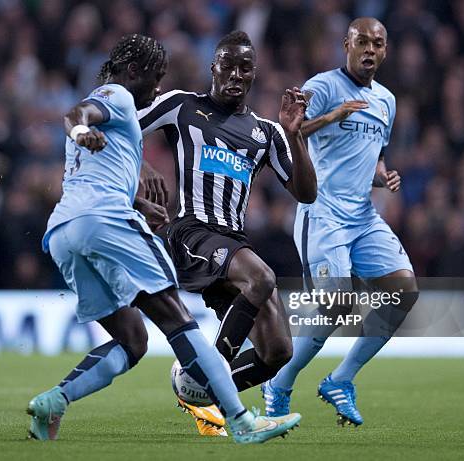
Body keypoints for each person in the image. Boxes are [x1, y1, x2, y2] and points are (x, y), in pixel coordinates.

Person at [25, 34, 301, 444]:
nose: (156, 90)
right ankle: (236, 417)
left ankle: (55, 400)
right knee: (179, 322)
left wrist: (136, 188)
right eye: (154, 80)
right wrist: (85, 133)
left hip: (64, 232)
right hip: (137, 226)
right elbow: (77, 115)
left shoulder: (263, 132)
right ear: (135, 72)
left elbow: (97, 161)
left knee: (133, 339)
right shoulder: (119, 95)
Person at [139, 30, 316, 435]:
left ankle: (201, 398)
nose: (236, 74)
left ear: (254, 76)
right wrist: (142, 168)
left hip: (232, 245)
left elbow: (306, 193)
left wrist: (294, 135)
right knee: (262, 277)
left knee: (278, 351)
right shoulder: (181, 106)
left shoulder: (267, 132)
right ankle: (205, 378)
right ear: (213, 68)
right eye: (228, 66)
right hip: (192, 233)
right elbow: (124, 131)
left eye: (245, 68)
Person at [261, 18, 419, 426]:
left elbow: (373, 154)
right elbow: (288, 131)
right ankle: (279, 381)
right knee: (338, 304)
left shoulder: (387, 100)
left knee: (403, 289)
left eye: (378, 43)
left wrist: (383, 175)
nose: (370, 49)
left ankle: (340, 379)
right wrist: (332, 115)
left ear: (386, 50)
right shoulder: (324, 86)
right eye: (362, 41)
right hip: (324, 213)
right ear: (346, 44)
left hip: (363, 215)